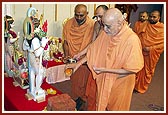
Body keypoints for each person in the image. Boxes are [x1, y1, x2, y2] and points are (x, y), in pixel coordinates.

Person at [66, 8, 144, 111]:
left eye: (108, 26)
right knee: (101, 104)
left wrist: (106, 70)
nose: (105, 29)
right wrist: (78, 63)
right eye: (104, 25)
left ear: (120, 23)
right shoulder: (107, 33)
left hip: (121, 82)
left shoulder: (131, 40)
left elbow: (131, 69)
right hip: (104, 77)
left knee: (116, 108)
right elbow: (94, 48)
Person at [73, 5, 108, 111]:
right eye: (96, 16)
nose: (98, 19)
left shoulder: (110, 27)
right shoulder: (97, 25)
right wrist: (80, 54)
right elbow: (93, 44)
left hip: (105, 62)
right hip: (95, 60)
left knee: (101, 92)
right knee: (92, 91)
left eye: (100, 16)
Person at [63, 4, 95, 103]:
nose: (79, 18)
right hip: (73, 59)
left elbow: (93, 44)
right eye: (76, 15)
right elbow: (66, 42)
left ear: (87, 14)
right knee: (75, 82)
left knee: (84, 83)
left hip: (85, 60)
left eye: (81, 15)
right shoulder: (68, 23)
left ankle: (82, 100)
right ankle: (76, 99)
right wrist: (66, 54)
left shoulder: (92, 25)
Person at [134, 10, 164, 94]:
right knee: (138, 68)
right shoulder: (145, 24)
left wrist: (151, 48)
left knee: (147, 71)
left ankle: (141, 87)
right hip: (141, 51)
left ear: (159, 18)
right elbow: (138, 34)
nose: (151, 18)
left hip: (151, 55)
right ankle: (136, 85)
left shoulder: (162, 29)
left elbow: (162, 45)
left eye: (154, 17)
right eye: (150, 16)